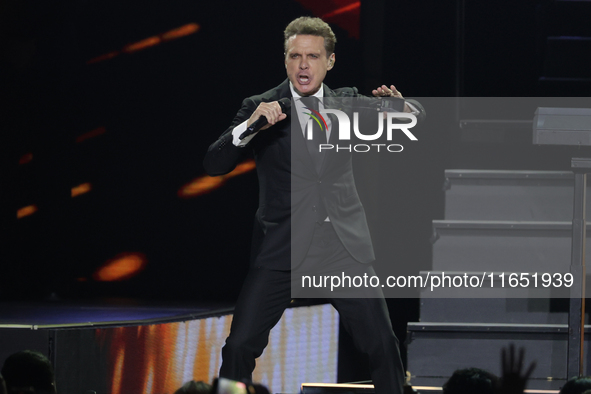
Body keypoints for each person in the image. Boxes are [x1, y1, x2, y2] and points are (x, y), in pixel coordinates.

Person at [204, 16, 424, 394]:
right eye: (295, 56)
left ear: (330, 61)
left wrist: (403, 108)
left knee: (383, 344)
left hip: (341, 247)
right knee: (239, 347)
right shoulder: (261, 106)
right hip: (282, 247)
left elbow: (411, 124)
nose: (303, 65)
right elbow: (213, 163)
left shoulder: (348, 102)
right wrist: (251, 126)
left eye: (313, 56)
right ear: (285, 60)